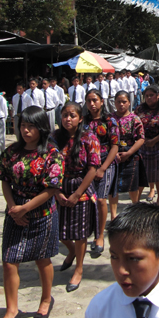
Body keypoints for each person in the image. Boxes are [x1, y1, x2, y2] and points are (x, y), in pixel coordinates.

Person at [0, 106, 64, 318]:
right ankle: (11, 308)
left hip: (41, 212)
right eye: (23, 126)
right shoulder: (12, 152)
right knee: (9, 260)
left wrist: (26, 208)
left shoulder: (52, 153)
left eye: (31, 126)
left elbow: (52, 188)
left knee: (42, 258)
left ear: (41, 128)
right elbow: (5, 179)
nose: (26, 130)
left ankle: (46, 299)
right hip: (15, 213)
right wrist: (13, 207)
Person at [55, 102, 101, 292]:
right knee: (57, 229)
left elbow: (92, 169)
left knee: (79, 232)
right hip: (57, 186)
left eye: (72, 115)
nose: (68, 119)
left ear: (80, 118)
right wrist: (56, 191)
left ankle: (79, 268)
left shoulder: (89, 138)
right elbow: (49, 164)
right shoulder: (55, 138)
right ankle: (71, 250)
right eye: (65, 115)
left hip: (80, 187)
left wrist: (76, 194)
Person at [83, 89, 119, 258]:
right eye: (89, 100)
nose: (92, 104)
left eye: (95, 100)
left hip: (106, 162)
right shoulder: (83, 121)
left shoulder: (109, 120)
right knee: (89, 199)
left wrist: (103, 168)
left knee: (101, 199)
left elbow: (115, 146)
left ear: (102, 101)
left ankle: (99, 236)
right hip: (87, 165)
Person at [109, 91, 147, 219]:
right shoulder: (110, 119)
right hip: (113, 156)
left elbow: (141, 139)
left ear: (129, 102)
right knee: (112, 186)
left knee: (133, 185)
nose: (121, 104)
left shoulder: (135, 119)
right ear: (114, 103)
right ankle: (113, 216)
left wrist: (129, 153)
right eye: (118, 102)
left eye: (124, 101)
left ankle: (135, 211)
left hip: (131, 154)